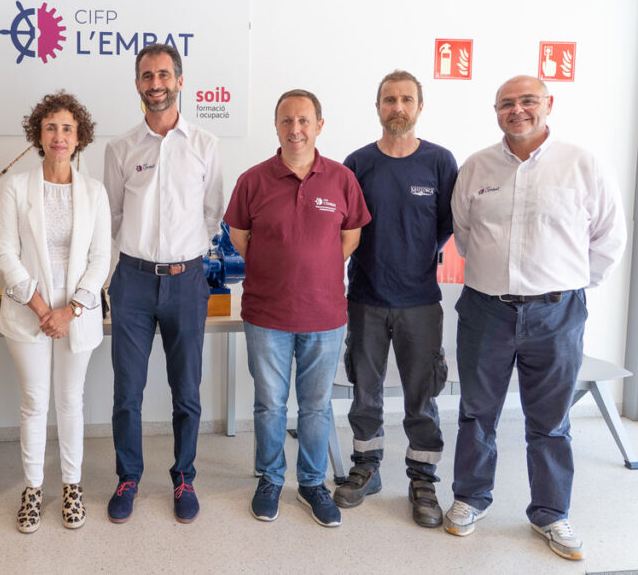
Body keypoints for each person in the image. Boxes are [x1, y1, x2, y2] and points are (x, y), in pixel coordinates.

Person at [444, 75, 626, 560]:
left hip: (557, 314)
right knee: (477, 412)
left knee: (550, 420)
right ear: (496, 111)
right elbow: (464, 234)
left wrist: (564, 285)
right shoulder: (476, 166)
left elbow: (609, 237)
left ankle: (551, 512)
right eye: (506, 103)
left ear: (548, 104)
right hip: (486, 310)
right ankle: (470, 498)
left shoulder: (583, 165)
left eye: (528, 100)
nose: (517, 110)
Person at [225, 89, 370, 527]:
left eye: (304, 120)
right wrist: (278, 267)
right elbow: (239, 235)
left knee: (316, 406)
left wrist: (315, 268)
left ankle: (311, 483)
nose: (295, 129)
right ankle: (270, 478)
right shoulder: (253, 180)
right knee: (270, 404)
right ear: (276, 126)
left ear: (319, 126)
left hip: (324, 316)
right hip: (266, 315)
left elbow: (350, 237)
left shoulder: (342, 179)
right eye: (287, 120)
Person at [103, 43, 224, 523]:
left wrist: (185, 253)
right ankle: (128, 477)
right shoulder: (120, 149)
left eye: (164, 75)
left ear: (180, 81)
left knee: (187, 391)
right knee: (127, 392)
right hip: (132, 282)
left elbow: (212, 212)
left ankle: (184, 477)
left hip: (186, 281)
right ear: (137, 83)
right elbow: (112, 217)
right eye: (148, 76)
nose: (156, 84)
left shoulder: (205, 145)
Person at [332, 70, 458, 528]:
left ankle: (422, 479)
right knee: (365, 393)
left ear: (419, 107)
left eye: (406, 99)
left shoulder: (440, 162)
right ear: (378, 107)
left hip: (420, 302)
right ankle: (365, 467)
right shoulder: (358, 163)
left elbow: (446, 226)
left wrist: (414, 258)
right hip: (365, 298)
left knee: (421, 397)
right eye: (389, 100)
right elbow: (346, 227)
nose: (397, 107)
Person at [0, 91, 111, 533]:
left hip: (76, 312)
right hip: (29, 308)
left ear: (79, 137)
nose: (59, 136)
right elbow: (6, 254)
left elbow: (101, 259)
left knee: (70, 401)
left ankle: (71, 486)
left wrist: (71, 310)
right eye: (51, 128)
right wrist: (43, 308)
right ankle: (32, 489)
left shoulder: (94, 192)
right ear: (38, 136)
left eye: (67, 128)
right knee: (34, 401)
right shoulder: (16, 188)